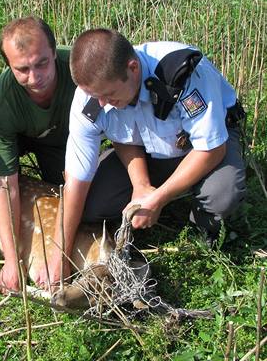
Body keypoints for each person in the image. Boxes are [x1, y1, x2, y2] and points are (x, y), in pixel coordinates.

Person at [44, 29, 247, 287]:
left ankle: (201, 228)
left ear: (133, 68)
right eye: (97, 97)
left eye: (110, 95)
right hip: (147, 150)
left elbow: (211, 148)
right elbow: (78, 177)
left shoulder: (180, 73)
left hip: (203, 145)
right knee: (92, 205)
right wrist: (59, 255)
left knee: (221, 196)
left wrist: (159, 198)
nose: (103, 103)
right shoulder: (93, 94)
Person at [0, 16, 76, 293]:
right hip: (18, 136)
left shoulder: (79, 71)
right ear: (9, 67)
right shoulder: (2, 101)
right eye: (23, 69)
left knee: (63, 185)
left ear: (54, 52)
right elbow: (6, 186)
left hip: (59, 141)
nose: (35, 77)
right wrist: (12, 259)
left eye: (42, 63)